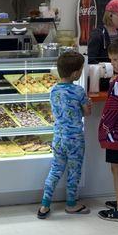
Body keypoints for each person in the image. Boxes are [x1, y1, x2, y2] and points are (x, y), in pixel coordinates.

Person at [37, 52, 92, 219]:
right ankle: (71, 205)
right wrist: (88, 105)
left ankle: (45, 205)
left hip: (59, 138)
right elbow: (87, 113)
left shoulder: (53, 90)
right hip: (75, 139)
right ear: (75, 73)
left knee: (55, 170)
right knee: (74, 172)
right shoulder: (79, 90)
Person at [98, 36, 118, 222]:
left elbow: (112, 111)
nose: (112, 63)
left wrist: (103, 129)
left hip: (117, 135)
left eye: (115, 59)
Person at [88, 0, 118, 64]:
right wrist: (108, 68)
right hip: (103, 73)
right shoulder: (97, 35)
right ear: (110, 15)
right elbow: (90, 60)